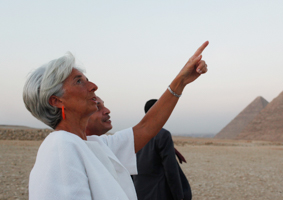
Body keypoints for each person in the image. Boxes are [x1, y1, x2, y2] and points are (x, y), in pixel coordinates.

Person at [23, 41, 208, 200]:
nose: (93, 86)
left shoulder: (95, 145)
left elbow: (145, 128)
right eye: (79, 81)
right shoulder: (60, 147)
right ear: (56, 100)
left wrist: (181, 81)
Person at [133, 99, 192, 200]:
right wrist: (179, 196)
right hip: (158, 193)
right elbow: (171, 170)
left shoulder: (133, 133)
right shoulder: (162, 135)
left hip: (138, 192)